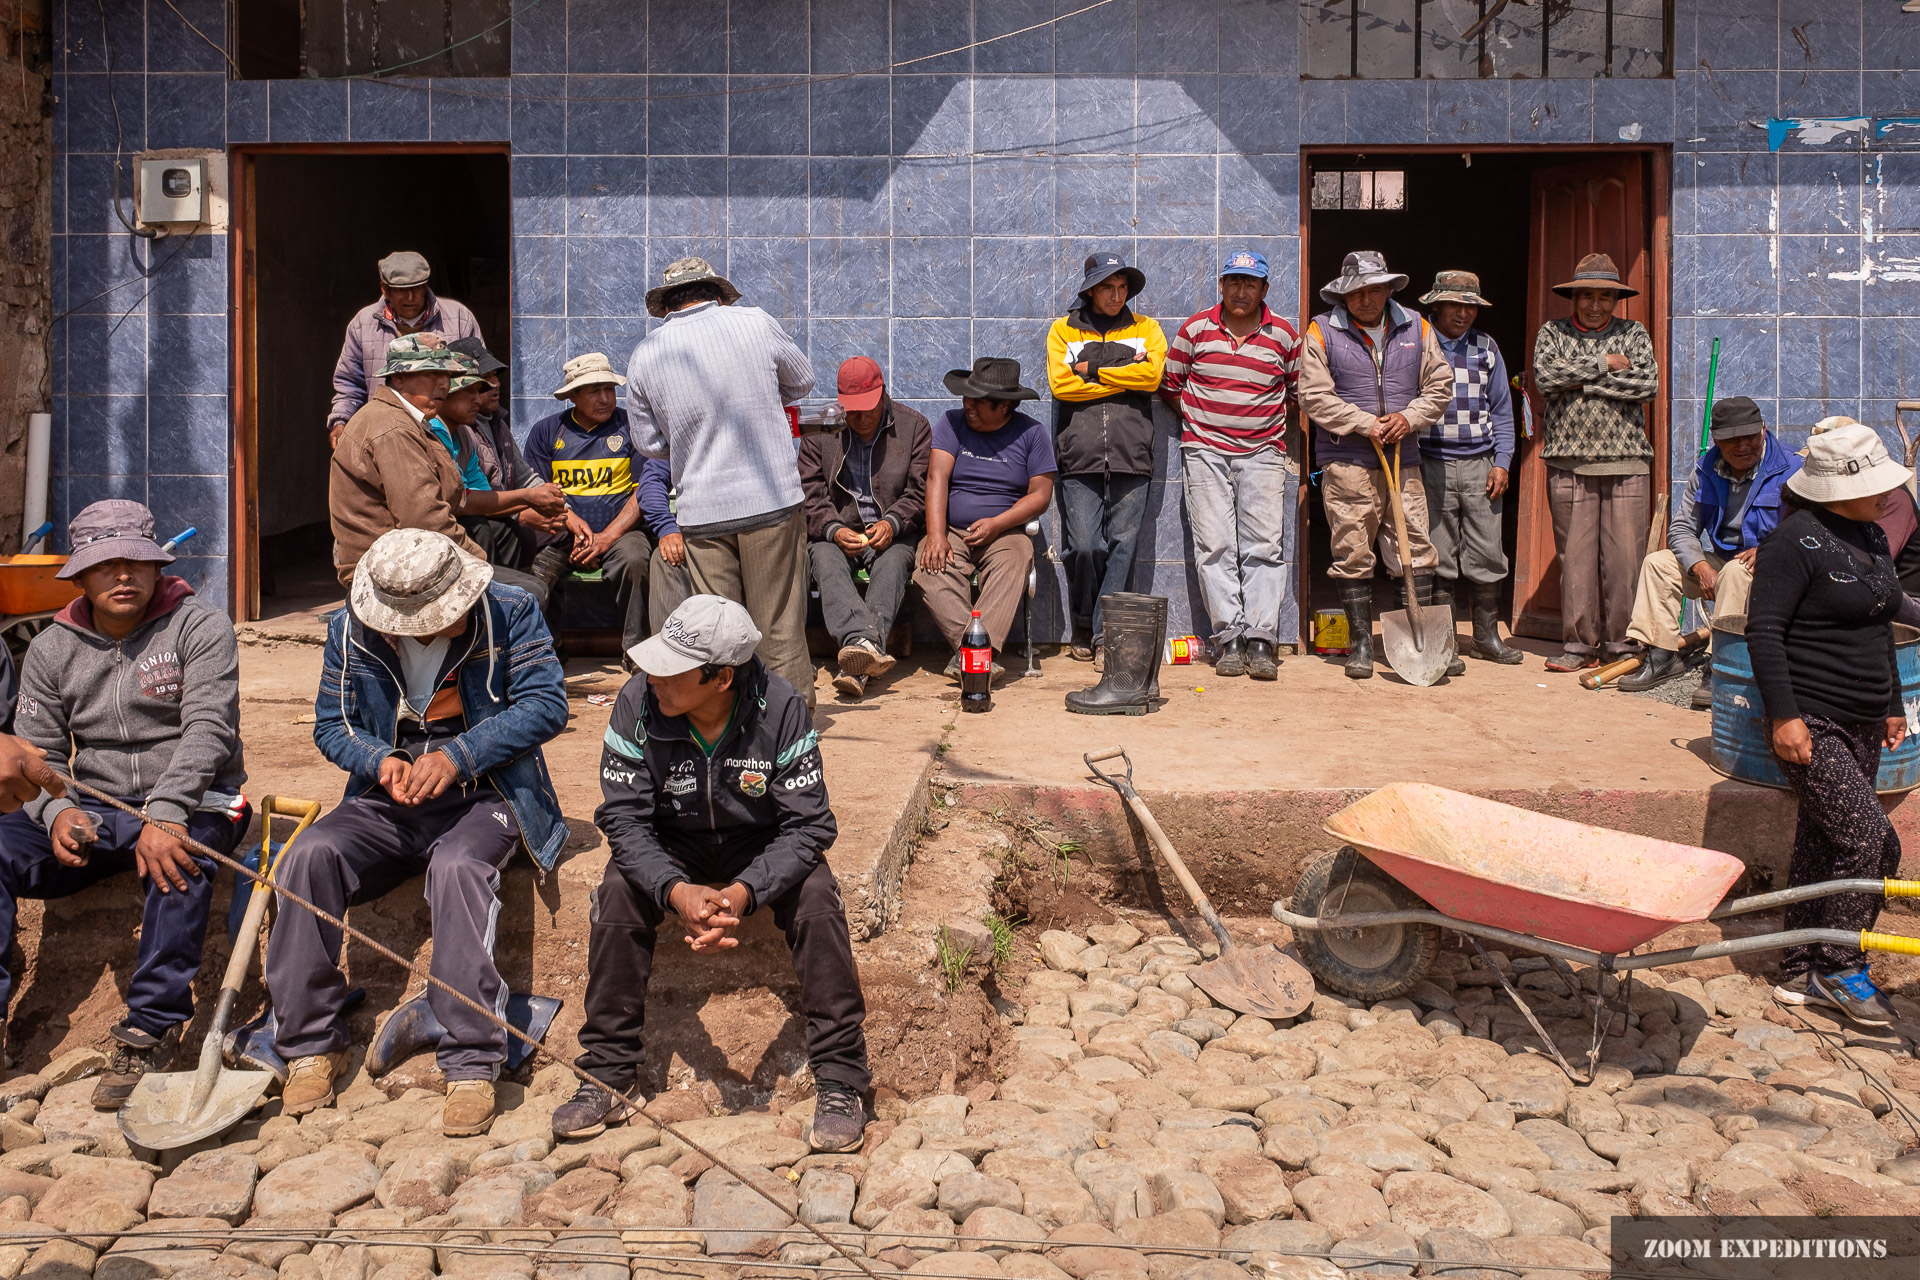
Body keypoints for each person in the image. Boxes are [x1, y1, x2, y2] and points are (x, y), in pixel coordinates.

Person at [267, 529, 568, 1135]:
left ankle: (473, 1063)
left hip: (492, 790)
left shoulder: (511, 610)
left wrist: (459, 755)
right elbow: (334, 725)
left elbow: (545, 706)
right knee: (307, 858)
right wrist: (380, 761)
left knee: (458, 867)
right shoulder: (347, 629)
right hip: (389, 792)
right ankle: (308, 1046)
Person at [554, 596, 870, 1152]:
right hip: (671, 845)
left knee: (819, 898)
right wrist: (676, 890)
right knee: (617, 894)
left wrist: (746, 893)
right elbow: (624, 820)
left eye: (670, 670)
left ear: (721, 677)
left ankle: (842, 1078)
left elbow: (810, 827)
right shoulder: (636, 702)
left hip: (761, 846)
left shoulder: (783, 708)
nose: (653, 677)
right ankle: (607, 1070)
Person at [0, 501, 247, 1106]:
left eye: (137, 562)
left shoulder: (199, 626)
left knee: (175, 862)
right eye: (105, 566)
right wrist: (58, 812)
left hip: (199, 800)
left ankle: (151, 1029)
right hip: (99, 807)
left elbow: (208, 731)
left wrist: (167, 812)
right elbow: (43, 756)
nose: (123, 577)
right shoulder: (51, 649)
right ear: (79, 577)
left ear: (156, 567)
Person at [1751, 424, 1911, 1027]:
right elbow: (1764, 632)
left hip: (1866, 717)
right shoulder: (1793, 543)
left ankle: (1800, 968)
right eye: (1875, 487)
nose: (1888, 497)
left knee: (1825, 839)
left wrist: (1892, 702)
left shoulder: (1870, 533)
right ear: (1834, 491)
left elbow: (1881, 621)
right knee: (1872, 840)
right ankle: (1841, 964)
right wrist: (1785, 717)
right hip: (1812, 718)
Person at [626, 258, 818, 706]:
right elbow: (802, 381)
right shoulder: (754, 322)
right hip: (771, 502)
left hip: (702, 512)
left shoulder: (645, 354)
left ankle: (731, 725)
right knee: (779, 626)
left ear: (668, 305)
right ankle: (792, 728)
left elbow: (650, 443)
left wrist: (692, 436)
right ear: (714, 292)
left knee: (718, 633)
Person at [1299, 251, 1456, 680]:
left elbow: (1440, 385)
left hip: (1404, 458)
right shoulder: (1322, 330)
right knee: (1352, 550)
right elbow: (1313, 396)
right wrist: (1366, 423)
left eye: (1373, 289)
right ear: (1344, 294)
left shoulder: (1417, 328)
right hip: (1347, 461)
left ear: (1389, 290)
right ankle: (1363, 644)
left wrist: (1409, 418)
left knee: (1415, 547)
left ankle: (1425, 638)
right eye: (1356, 292)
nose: (1365, 299)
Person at [330, 334, 552, 608]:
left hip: (412, 558)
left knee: (524, 577)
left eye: (447, 375)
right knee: (527, 597)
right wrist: (480, 561)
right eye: (432, 373)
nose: (443, 384)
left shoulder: (414, 422)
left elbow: (455, 497)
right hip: (388, 568)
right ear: (398, 378)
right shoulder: (393, 427)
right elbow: (426, 519)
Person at [1161, 249, 1300, 680]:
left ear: (1264, 289)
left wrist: (1260, 430)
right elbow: (1171, 384)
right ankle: (1230, 639)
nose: (1242, 290)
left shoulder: (1284, 335)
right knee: (1215, 546)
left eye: (1251, 283)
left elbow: (1296, 393)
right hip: (1204, 452)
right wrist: (1202, 423)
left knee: (1264, 546)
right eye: (1234, 282)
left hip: (1263, 454)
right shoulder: (1196, 329)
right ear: (1221, 286)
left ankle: (1261, 639)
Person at [1531, 254, 1660, 672]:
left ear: (1615, 301)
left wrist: (1580, 382)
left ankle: (1623, 647)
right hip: (1568, 462)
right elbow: (1546, 378)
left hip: (1627, 462)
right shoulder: (1552, 333)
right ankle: (1579, 647)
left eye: (1605, 297)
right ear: (1574, 297)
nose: (1596, 305)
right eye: (1587, 295)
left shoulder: (1634, 333)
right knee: (1577, 560)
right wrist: (1603, 365)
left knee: (1624, 562)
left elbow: (1647, 383)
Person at [1623, 397, 1799, 701]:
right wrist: (1699, 566)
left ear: (1764, 430)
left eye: (1750, 437)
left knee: (1735, 570)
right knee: (1658, 563)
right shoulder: (1706, 469)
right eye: (1732, 439)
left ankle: (1721, 665)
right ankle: (1663, 655)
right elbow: (1681, 529)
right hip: (1723, 561)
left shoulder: (1791, 468)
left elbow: (1806, 528)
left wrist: (1771, 549)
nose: (1743, 446)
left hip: (1772, 566)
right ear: (1717, 440)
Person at [1047, 250, 1168, 665]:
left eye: (1122, 288)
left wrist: (1093, 370)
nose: (1117, 296)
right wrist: (1122, 372)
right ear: (1090, 290)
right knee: (1083, 546)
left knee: (1122, 545)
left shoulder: (1147, 328)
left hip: (1132, 453)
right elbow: (1062, 386)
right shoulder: (1063, 331)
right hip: (1078, 454)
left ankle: (1100, 633)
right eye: (1107, 288)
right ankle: (1085, 620)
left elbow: (1151, 377)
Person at [914, 359, 1058, 676]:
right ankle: (977, 656)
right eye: (967, 398)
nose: (969, 407)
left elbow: (1040, 496)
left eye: (979, 402)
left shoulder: (1033, 434)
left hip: (1006, 531)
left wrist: (998, 523)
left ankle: (973, 657)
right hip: (952, 530)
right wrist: (936, 535)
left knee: (1016, 561)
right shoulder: (951, 423)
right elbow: (936, 478)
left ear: (1005, 406)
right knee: (930, 569)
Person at [799, 357, 931, 701]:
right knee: (825, 562)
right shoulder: (819, 429)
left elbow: (920, 492)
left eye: (866, 410)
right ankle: (864, 647)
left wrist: (893, 521)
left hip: (891, 532)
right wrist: (831, 528)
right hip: (835, 531)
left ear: (883, 393)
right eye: (851, 411)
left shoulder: (914, 427)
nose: (859, 418)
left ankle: (856, 662)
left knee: (892, 565)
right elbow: (809, 491)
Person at [524, 353, 666, 658]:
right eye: (593, 391)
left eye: (609, 390)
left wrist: (605, 539)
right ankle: (546, 651)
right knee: (536, 567)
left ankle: (637, 653)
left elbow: (642, 493)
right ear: (572, 396)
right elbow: (536, 494)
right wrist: (572, 529)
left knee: (636, 561)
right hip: (563, 533)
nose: (604, 399)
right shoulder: (547, 432)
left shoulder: (632, 427)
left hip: (621, 533)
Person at [1418, 271, 1522, 666]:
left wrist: (1502, 462)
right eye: (1454, 306)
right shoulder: (1418, 344)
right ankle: (1444, 642)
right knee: (1438, 552)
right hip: (1431, 462)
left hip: (1480, 464)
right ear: (1437, 306)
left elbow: (1501, 411)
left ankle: (1485, 637)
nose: (1462, 314)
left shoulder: (1486, 347)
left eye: (1470, 307)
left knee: (1486, 550)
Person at [431, 349, 568, 570]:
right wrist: (529, 499)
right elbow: (462, 500)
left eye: (480, 390)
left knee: (513, 532)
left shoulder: (466, 432)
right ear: (444, 393)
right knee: (480, 528)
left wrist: (544, 501)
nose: (478, 398)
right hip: (433, 532)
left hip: (471, 515)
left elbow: (484, 493)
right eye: (468, 391)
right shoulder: (434, 430)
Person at [329, 251, 482, 447]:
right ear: (385, 290)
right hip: (385, 438)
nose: (411, 297)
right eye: (402, 290)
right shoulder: (362, 325)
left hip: (449, 439)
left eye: (417, 288)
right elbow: (350, 384)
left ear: (426, 286)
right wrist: (341, 421)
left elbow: (478, 379)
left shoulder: (459, 318)